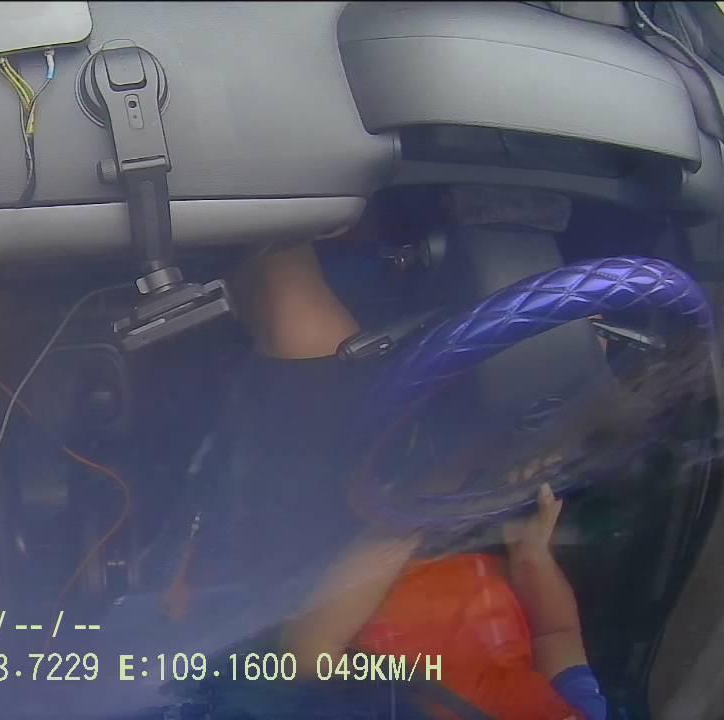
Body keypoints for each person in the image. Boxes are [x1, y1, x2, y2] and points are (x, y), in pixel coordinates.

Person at [226, 240, 607, 719]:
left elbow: (309, 653)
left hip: (343, 559)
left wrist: (420, 509)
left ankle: (266, 238)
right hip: (464, 522)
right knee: (564, 363)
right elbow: (558, 635)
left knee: (307, 331)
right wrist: (532, 554)